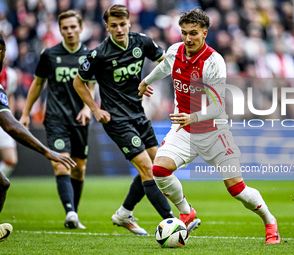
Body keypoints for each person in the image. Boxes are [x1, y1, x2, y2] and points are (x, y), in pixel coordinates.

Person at [138, 7, 280, 244]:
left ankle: (269, 220)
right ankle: (186, 211)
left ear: (205, 33)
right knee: (160, 170)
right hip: (184, 130)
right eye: (184, 33)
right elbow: (165, 67)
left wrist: (192, 117)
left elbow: (218, 106)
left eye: (193, 33)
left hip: (213, 132)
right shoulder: (175, 51)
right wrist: (145, 81)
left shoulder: (214, 61)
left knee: (237, 189)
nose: (188, 38)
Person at [73, 4, 200, 236]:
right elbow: (78, 82)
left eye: (123, 24)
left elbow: (167, 61)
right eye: (114, 26)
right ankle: (175, 221)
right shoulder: (98, 54)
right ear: (107, 27)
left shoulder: (141, 42)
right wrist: (94, 109)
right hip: (116, 120)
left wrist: (150, 79)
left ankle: (123, 213)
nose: (119, 29)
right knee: (147, 168)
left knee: (159, 166)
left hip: (139, 115)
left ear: (129, 23)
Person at [19, 10, 95, 229]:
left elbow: (91, 83)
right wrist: (25, 113)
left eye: (73, 27)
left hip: (79, 119)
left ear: (81, 28)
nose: (69, 31)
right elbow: (37, 84)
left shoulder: (90, 55)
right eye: (65, 28)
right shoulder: (49, 55)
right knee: (61, 164)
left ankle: (74, 212)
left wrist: (88, 108)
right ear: (60, 30)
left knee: (79, 168)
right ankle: (70, 212)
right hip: (55, 118)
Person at [0, 32, 76, 242]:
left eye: (2, 51)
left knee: (2, 183)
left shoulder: (8, 79)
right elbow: (11, 126)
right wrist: (46, 150)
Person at [0, 64, 18, 177]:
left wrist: (10, 118)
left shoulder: (10, 74)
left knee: (11, 159)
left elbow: (10, 96)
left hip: (2, 119)